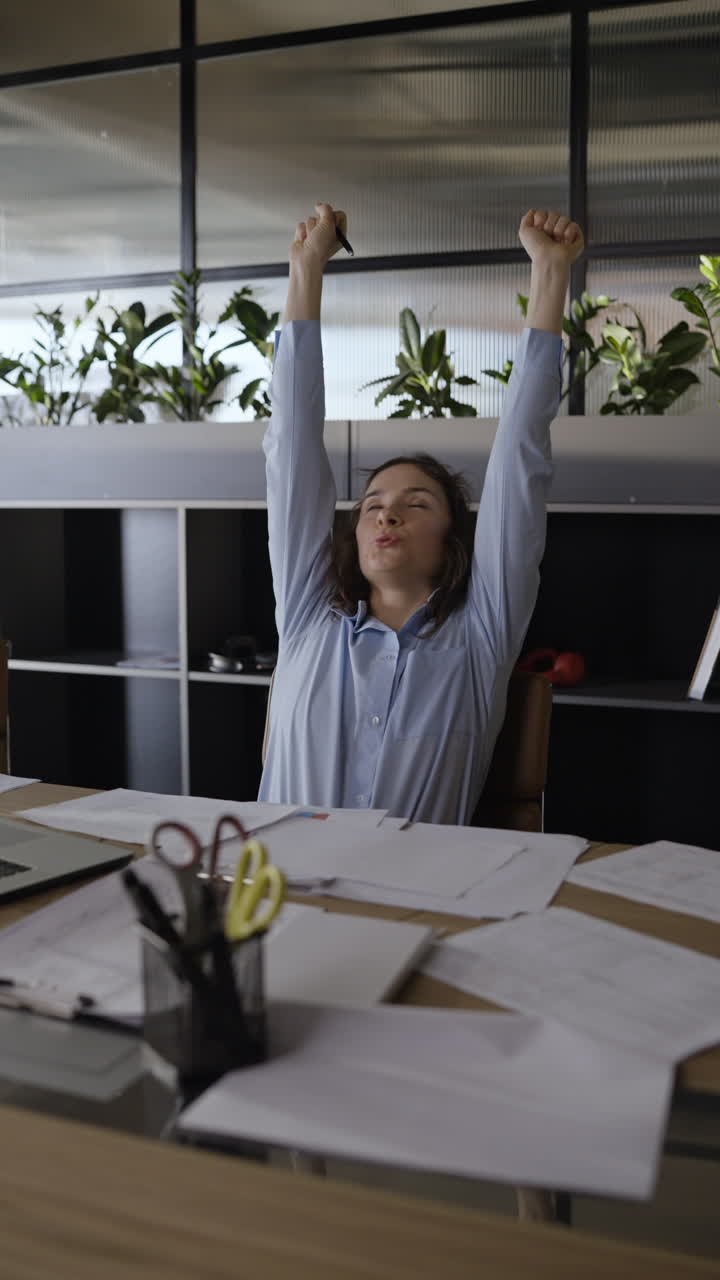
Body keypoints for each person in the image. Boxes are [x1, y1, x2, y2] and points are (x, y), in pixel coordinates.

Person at [259, 203, 584, 825]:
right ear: (352, 536)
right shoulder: (306, 619)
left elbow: (522, 463)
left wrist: (550, 276)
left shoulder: (480, 635)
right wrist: (305, 270)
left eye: (416, 504)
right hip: (277, 895)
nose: (388, 517)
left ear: (452, 538)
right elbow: (291, 453)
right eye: (374, 506)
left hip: (417, 899)